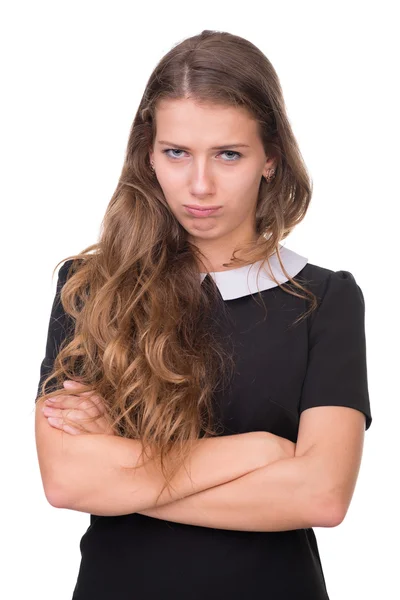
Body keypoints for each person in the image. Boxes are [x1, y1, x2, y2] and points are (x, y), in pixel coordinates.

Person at [34, 29, 372, 600]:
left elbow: (320, 497)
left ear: (270, 158)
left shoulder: (326, 300)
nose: (199, 185)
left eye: (229, 155)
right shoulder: (89, 288)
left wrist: (125, 478)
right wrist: (260, 452)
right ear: (149, 152)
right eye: (176, 153)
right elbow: (68, 479)